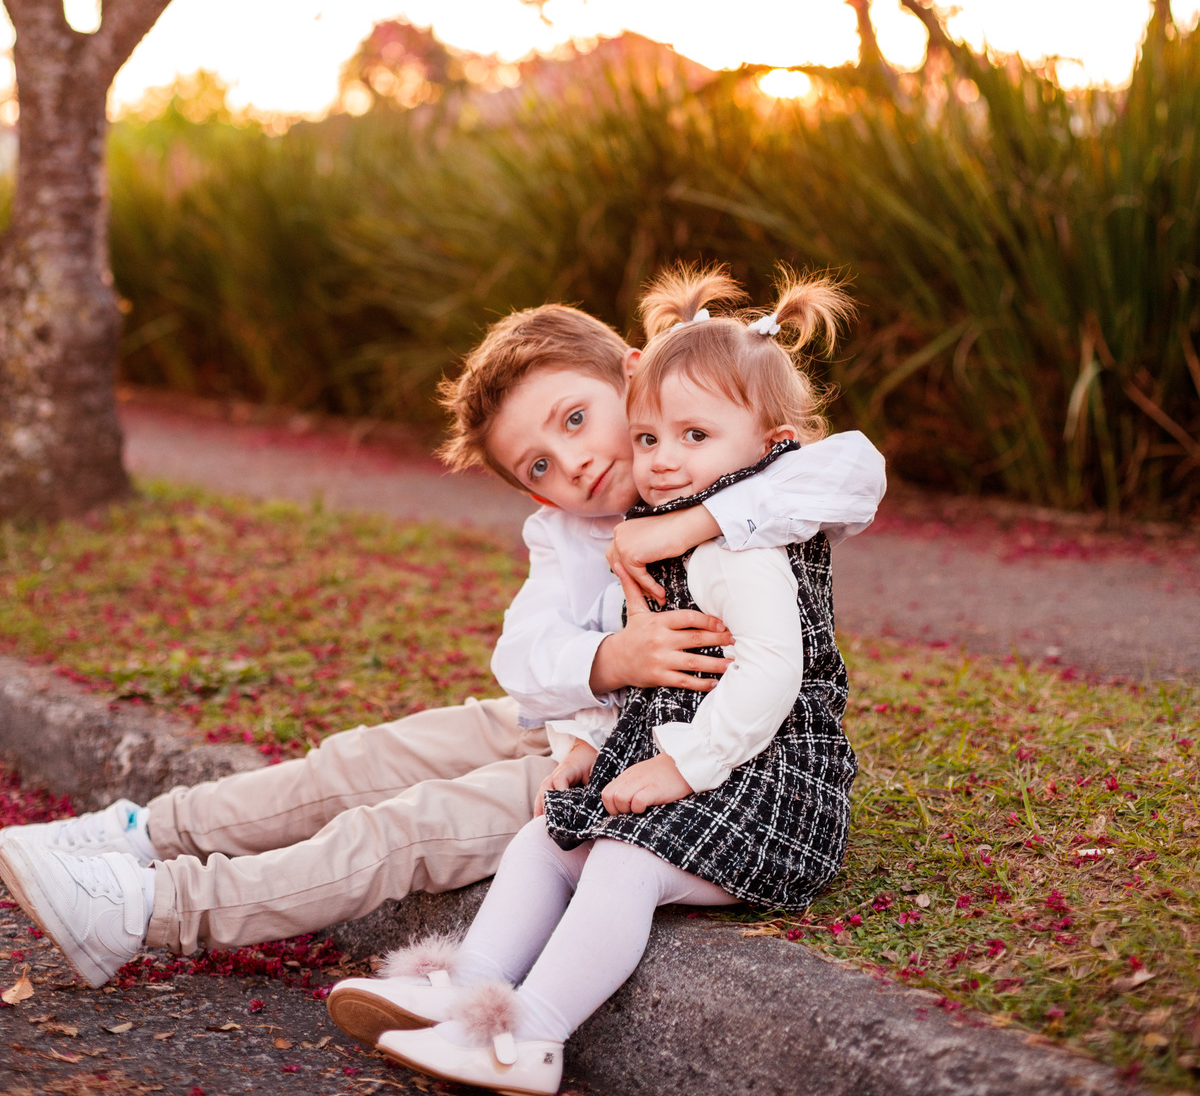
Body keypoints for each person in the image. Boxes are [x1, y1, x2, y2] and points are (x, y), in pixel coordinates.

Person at [0, 298, 882, 998]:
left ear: (635, 372)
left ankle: (158, 910)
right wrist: (609, 661)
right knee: (356, 761)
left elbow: (854, 471)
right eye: (537, 463)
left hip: (642, 757)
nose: (571, 464)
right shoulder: (563, 533)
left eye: (576, 419)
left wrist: (690, 520)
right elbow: (526, 652)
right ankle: (142, 836)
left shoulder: (744, 463)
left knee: (403, 830)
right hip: (568, 715)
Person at [365, 265, 867, 1096]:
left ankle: (531, 1035)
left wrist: (679, 770)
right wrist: (581, 744)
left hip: (769, 790)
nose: (664, 462)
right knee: (545, 840)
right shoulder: (640, 533)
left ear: (769, 442)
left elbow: (772, 675)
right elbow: (618, 673)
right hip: (700, 774)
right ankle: (462, 992)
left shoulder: (741, 542)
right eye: (649, 440)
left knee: (621, 865)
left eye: (694, 438)